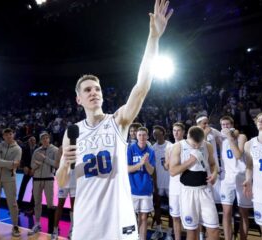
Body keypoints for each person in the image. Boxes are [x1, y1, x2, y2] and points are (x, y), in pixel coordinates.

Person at [55, 1, 173, 238]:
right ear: (78, 99)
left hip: (119, 219)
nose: (93, 92)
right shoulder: (72, 132)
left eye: (97, 88)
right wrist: (64, 164)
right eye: (87, 90)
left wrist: (154, 38)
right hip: (86, 220)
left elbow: (141, 87)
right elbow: (62, 181)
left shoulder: (118, 121)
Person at [169, 126, 220, 240]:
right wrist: (190, 161)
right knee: (192, 232)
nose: (196, 147)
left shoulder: (208, 145)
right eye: (193, 145)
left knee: (214, 231)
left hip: (205, 191)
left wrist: (215, 173)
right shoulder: (179, 146)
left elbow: (212, 164)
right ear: (188, 136)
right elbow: (172, 171)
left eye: (199, 144)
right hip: (188, 192)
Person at [219, 116, 252, 240]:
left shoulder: (241, 137)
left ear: (233, 125)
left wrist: (230, 137)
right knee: (226, 213)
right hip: (227, 178)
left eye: (228, 124)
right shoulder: (221, 139)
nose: (225, 127)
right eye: (223, 125)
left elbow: (238, 155)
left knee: (244, 214)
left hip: (241, 177)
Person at [28, 132, 59, 235]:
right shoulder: (36, 151)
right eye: (43, 138)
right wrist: (37, 165)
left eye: (46, 138)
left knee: (50, 203)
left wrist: (45, 159)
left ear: (49, 139)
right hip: (37, 179)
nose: (45, 140)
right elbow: (32, 165)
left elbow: (56, 164)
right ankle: (37, 223)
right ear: (40, 140)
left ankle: (53, 227)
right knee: (37, 202)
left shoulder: (55, 150)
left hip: (49, 178)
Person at [128, 127, 156, 240]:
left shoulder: (151, 151)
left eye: (144, 135)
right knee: (130, 217)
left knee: (144, 217)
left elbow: (151, 171)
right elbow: (127, 169)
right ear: (136, 136)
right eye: (139, 135)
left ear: (147, 137)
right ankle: (130, 237)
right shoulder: (130, 149)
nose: (142, 137)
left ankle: (142, 238)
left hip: (146, 189)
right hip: (132, 189)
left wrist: (146, 163)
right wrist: (140, 163)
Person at [151, 125, 173, 240]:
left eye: (158, 133)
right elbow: (153, 168)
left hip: (170, 182)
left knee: (172, 209)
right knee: (157, 206)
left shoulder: (170, 146)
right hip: (158, 182)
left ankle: (169, 233)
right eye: (154, 134)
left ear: (163, 133)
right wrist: (154, 182)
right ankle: (158, 230)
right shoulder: (153, 148)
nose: (156, 136)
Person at [165, 122, 185, 240]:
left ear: (183, 132)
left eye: (178, 130)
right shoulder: (169, 147)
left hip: (186, 185)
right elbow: (167, 167)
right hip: (174, 186)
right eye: (174, 130)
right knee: (175, 217)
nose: (176, 133)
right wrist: (167, 162)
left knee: (190, 217)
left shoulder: (188, 144)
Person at [17, 136, 37, 213]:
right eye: (31, 140)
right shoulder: (25, 148)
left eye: (34, 140)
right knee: (22, 188)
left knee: (34, 190)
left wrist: (34, 169)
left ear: (35, 141)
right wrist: (25, 166)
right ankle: (18, 206)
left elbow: (39, 160)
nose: (32, 141)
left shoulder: (38, 149)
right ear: (28, 141)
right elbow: (23, 159)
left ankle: (31, 208)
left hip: (35, 171)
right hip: (27, 170)